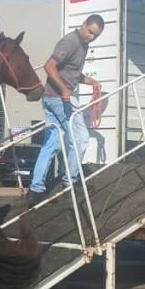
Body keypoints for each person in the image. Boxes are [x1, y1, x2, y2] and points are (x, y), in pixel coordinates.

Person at [27, 15, 104, 205]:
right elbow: (49, 66)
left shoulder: (83, 45)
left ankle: (36, 190)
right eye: (90, 32)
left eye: (95, 36)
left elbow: (72, 73)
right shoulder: (71, 42)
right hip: (58, 98)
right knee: (81, 138)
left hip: (52, 98)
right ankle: (70, 181)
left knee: (52, 143)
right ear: (83, 24)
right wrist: (63, 90)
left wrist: (92, 81)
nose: (91, 37)